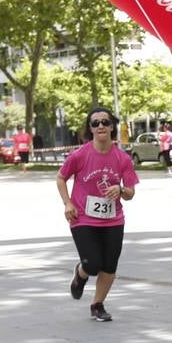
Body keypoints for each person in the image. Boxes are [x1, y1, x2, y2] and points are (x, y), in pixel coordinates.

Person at [57, 107, 138, 323]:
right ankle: (80, 274)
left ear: (112, 127)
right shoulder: (80, 155)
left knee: (109, 265)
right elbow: (61, 177)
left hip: (113, 219)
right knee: (92, 264)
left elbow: (130, 193)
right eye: (95, 123)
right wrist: (67, 203)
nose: (101, 126)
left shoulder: (123, 159)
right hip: (82, 217)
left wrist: (120, 190)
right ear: (90, 129)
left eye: (105, 122)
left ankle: (97, 305)